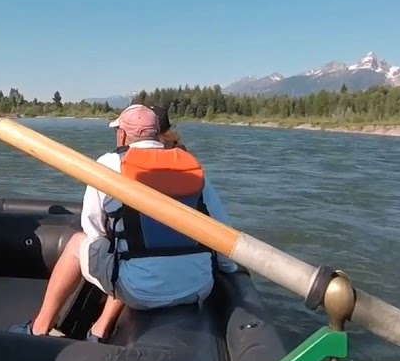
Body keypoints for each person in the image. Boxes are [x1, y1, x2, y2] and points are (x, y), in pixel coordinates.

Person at [13, 104, 237, 343]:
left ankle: (39, 328)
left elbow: (93, 229)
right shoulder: (191, 166)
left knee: (82, 244)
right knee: (128, 250)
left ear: (122, 134)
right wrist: (230, 271)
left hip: (140, 292)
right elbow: (222, 231)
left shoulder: (109, 164)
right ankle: (98, 331)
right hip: (198, 287)